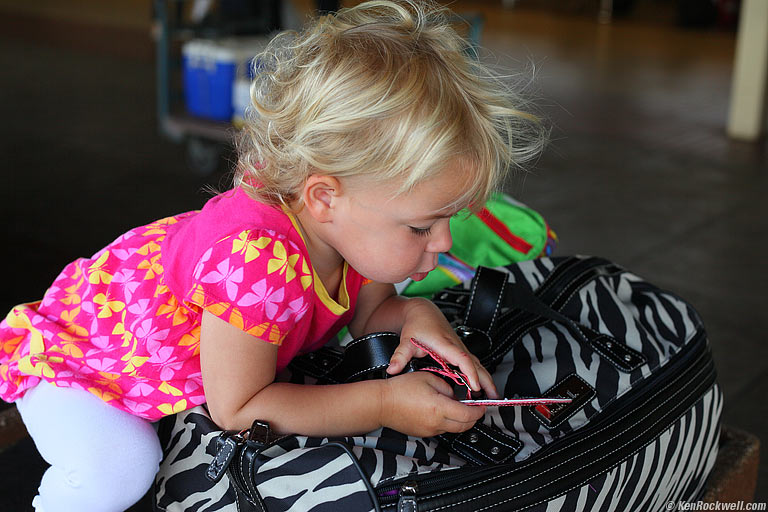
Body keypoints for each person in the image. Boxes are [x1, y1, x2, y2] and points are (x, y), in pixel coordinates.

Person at [0, 1, 546, 510]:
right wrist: (382, 404)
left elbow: (368, 311)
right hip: (82, 366)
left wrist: (419, 316)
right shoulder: (256, 264)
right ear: (325, 197)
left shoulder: (342, 228)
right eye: (423, 226)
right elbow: (239, 410)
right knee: (118, 470)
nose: (446, 243)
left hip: (178, 372)